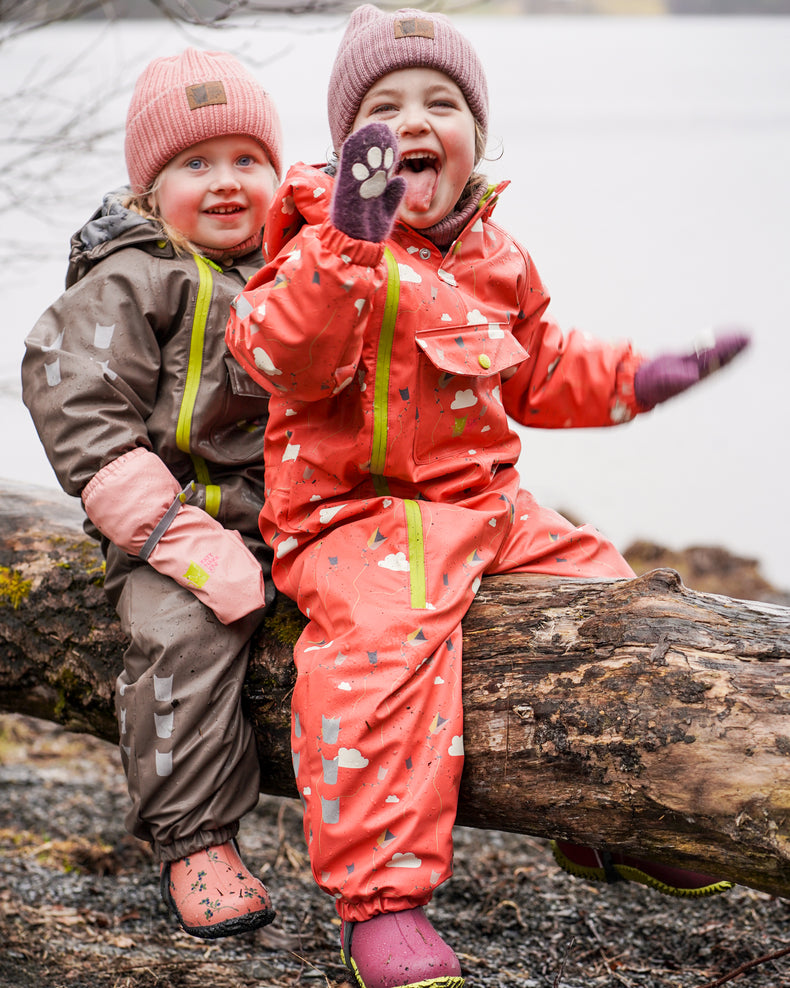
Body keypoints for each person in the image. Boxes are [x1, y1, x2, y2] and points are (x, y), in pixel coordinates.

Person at [225, 7, 749, 987]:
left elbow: (541, 366)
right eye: (382, 109)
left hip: (485, 505)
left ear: (477, 139)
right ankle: (379, 905)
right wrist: (348, 242)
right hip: (349, 519)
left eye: (442, 103)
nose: (413, 122)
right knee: (377, 656)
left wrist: (643, 375)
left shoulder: (495, 256)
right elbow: (277, 358)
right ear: (345, 149)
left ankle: (608, 817)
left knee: (612, 596)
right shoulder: (313, 248)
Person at [22, 48, 284, 941]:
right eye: (193, 164)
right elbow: (78, 403)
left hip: (301, 515)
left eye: (247, 160)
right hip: (179, 522)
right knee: (182, 635)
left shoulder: (299, 269)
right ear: (149, 187)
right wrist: (171, 531)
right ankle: (196, 839)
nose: (224, 183)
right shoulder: (137, 276)